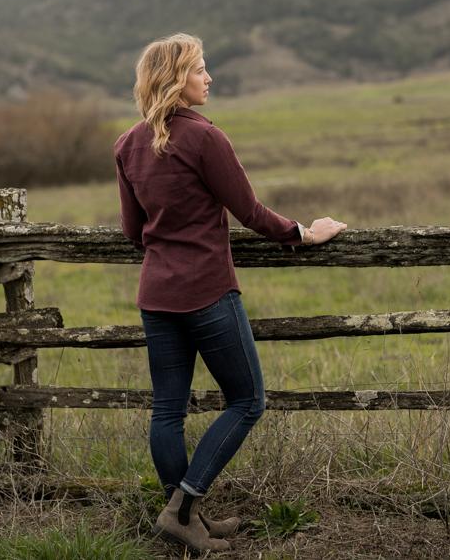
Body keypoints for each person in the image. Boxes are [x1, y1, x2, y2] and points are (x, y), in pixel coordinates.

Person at [113, 32, 347, 552]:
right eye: (199, 69)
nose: (208, 77)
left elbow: (133, 231)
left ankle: (184, 518)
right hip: (206, 291)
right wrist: (305, 233)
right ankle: (184, 510)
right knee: (247, 400)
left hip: (156, 294)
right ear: (176, 80)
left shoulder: (127, 144)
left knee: (167, 410)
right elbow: (252, 213)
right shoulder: (204, 139)